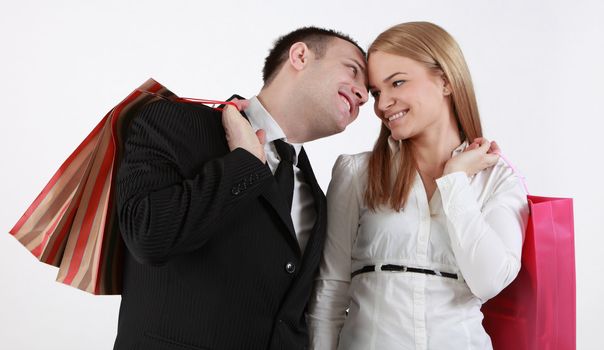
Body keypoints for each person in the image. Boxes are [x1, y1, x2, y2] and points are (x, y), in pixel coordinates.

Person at [113, 27, 368, 350]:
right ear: (300, 55)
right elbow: (148, 236)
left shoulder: (317, 194)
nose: (362, 94)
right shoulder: (175, 121)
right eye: (353, 70)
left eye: (367, 93)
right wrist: (245, 163)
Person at [307, 22, 529, 350]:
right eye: (378, 92)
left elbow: (489, 281)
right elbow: (330, 292)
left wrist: (454, 181)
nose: (382, 105)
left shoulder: (497, 179)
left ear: (446, 80)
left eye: (397, 83)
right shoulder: (357, 173)